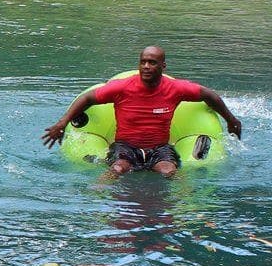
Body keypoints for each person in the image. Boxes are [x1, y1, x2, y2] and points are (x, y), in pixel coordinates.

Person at [42, 46, 242, 177]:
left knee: (170, 171)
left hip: (159, 148)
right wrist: (61, 124)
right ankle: (95, 203)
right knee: (117, 168)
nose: (146, 67)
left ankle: (185, 207)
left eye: (152, 62)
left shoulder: (176, 89)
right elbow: (87, 98)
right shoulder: (122, 87)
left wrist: (231, 120)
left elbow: (208, 95)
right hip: (126, 147)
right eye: (143, 62)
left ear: (163, 65)